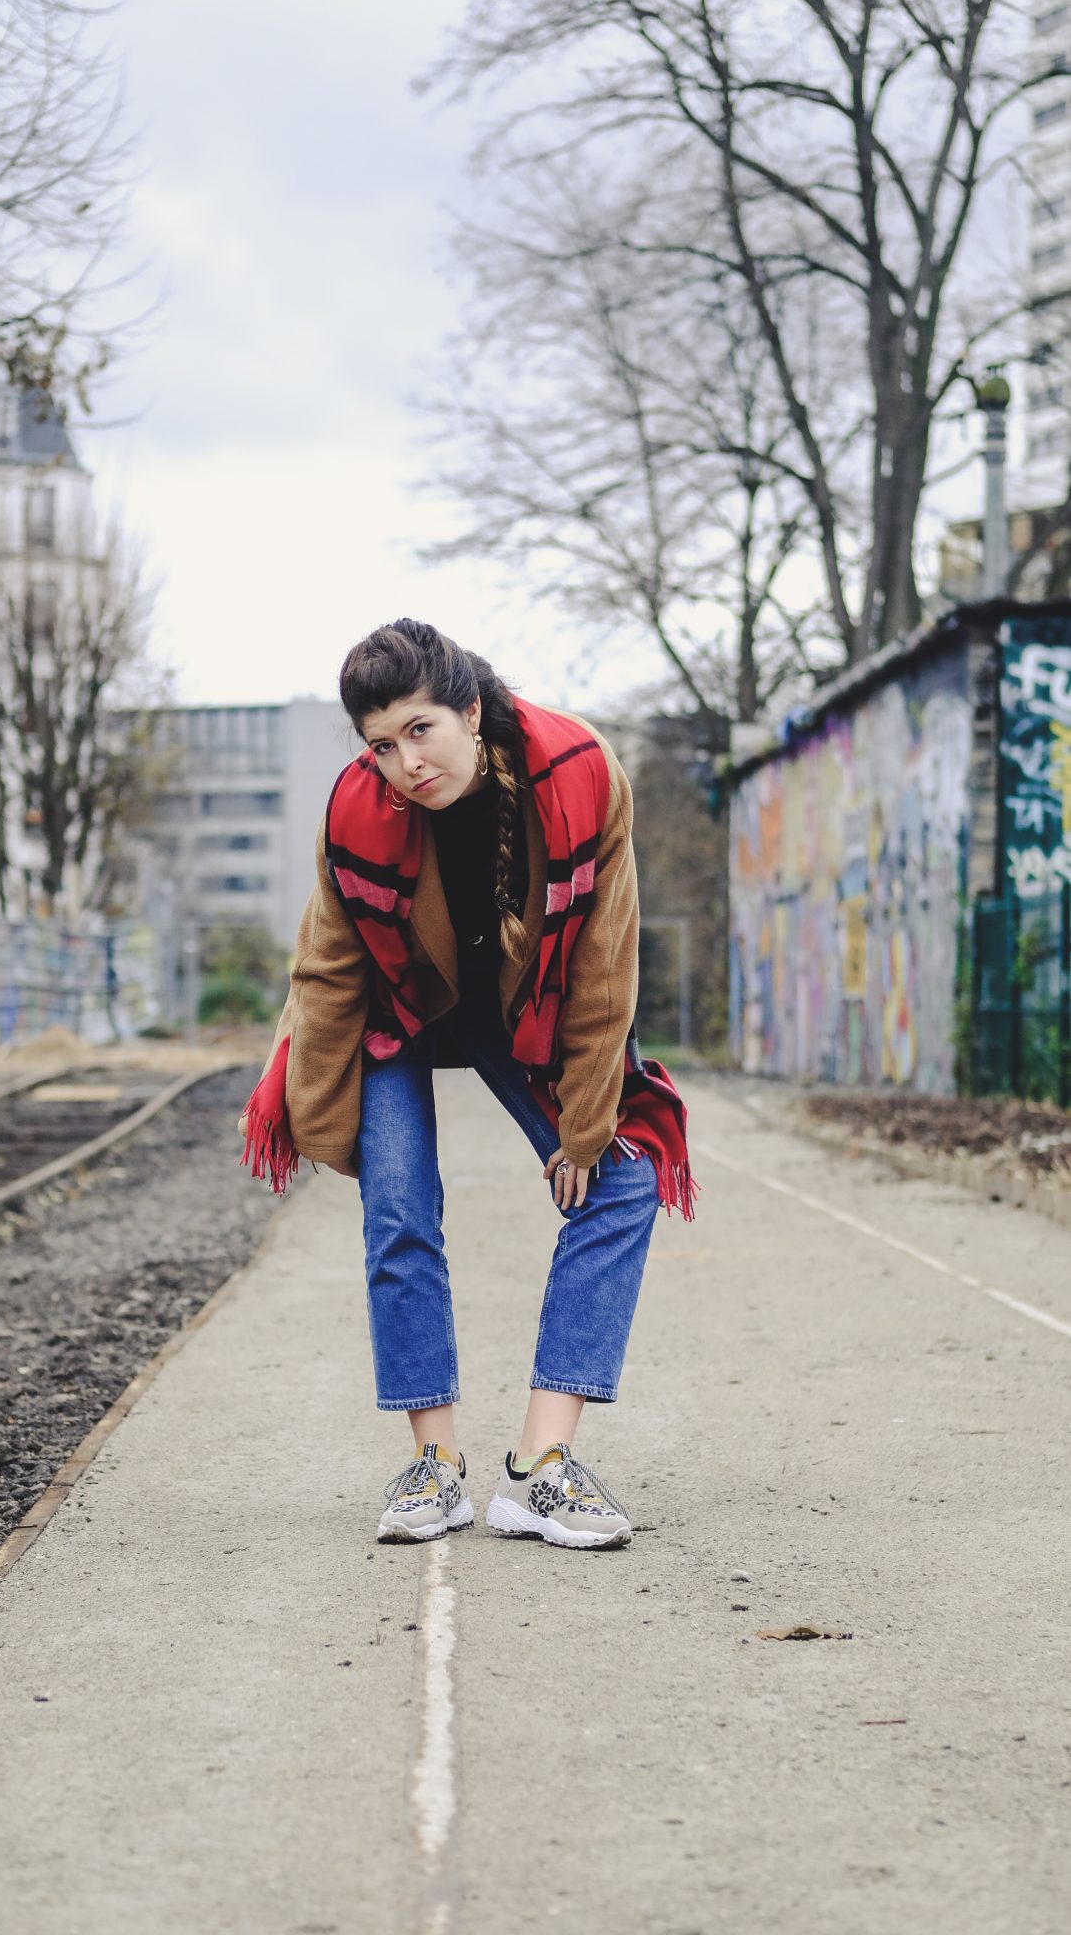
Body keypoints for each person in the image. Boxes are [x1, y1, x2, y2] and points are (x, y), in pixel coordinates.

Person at [241, 619, 696, 1551]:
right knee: (400, 1211)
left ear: (470, 711)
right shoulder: (354, 811)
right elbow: (326, 969)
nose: (403, 762)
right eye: (379, 743)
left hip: (519, 1007)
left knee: (623, 1176)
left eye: (419, 729)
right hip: (395, 1011)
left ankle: (541, 1469)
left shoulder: (578, 773)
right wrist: (321, 1119)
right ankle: (433, 1466)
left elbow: (606, 963)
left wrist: (583, 1128)